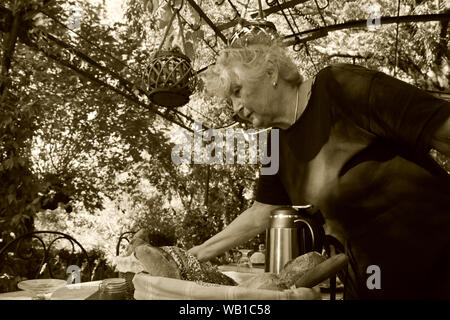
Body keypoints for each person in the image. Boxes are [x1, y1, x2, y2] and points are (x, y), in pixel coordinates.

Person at [188, 39, 450, 299]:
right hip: (370, 285)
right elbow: (261, 212)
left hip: (438, 273)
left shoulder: (339, 85)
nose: (236, 109)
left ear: (270, 71)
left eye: (237, 91)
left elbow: (443, 130)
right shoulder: (273, 143)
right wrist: (195, 255)